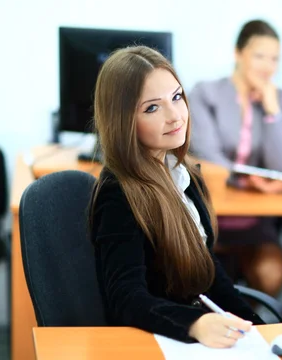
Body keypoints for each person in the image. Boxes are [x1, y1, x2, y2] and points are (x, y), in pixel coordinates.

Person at [88, 46, 264, 348]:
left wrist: (266, 334)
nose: (175, 116)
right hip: (155, 343)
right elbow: (126, 297)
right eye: (152, 108)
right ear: (123, 120)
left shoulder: (183, 173)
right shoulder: (118, 192)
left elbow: (207, 271)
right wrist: (194, 324)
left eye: (177, 97)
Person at [188, 20, 282, 298]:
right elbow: (208, 154)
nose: (268, 66)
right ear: (238, 54)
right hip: (207, 221)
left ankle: (251, 329)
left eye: (274, 59)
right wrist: (249, 181)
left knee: (271, 274)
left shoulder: (279, 99)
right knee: (198, 279)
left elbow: (281, 166)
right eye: (260, 56)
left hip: (255, 226)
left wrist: (271, 111)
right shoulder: (205, 93)